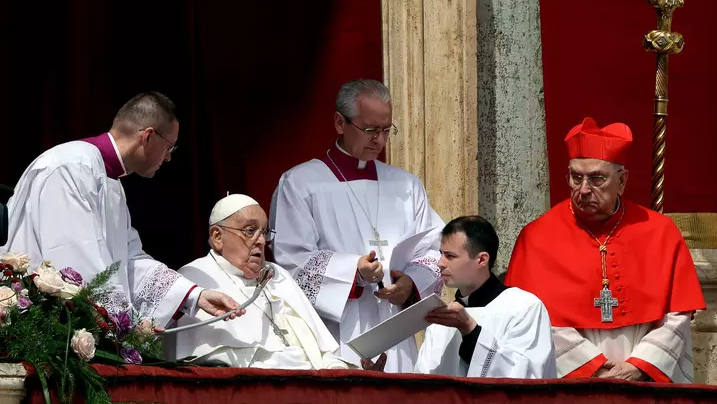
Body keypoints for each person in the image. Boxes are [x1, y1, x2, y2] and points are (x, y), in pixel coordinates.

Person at [1, 91, 243, 326]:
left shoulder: (111, 183)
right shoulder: (72, 168)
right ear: (148, 136)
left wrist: (193, 296)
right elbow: (74, 262)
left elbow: (129, 260)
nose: (168, 157)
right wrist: (127, 325)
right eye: (169, 147)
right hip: (38, 328)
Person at [505, 117, 706, 383]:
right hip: (570, 380)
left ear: (621, 181)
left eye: (596, 178)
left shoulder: (660, 232)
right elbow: (531, 319)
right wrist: (593, 368)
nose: (584, 190)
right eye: (576, 177)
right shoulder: (537, 237)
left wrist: (639, 365)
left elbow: (677, 315)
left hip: (644, 377)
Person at [270, 79, 443, 372]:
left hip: (394, 329)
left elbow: (432, 249)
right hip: (336, 331)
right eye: (370, 130)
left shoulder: (406, 185)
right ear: (340, 122)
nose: (379, 139)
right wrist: (353, 271)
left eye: (386, 130)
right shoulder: (301, 183)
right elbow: (290, 261)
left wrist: (411, 283)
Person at [174, 193, 385, 371]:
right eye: (249, 231)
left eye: (264, 232)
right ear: (218, 237)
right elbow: (211, 363)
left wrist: (352, 375)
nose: (261, 240)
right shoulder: (195, 279)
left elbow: (318, 354)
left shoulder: (278, 276)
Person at [415, 216, 556, 378]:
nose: (440, 263)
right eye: (441, 254)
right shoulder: (440, 321)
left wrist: (471, 331)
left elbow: (526, 377)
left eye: (450, 256)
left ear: (481, 259)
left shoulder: (525, 308)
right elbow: (423, 383)